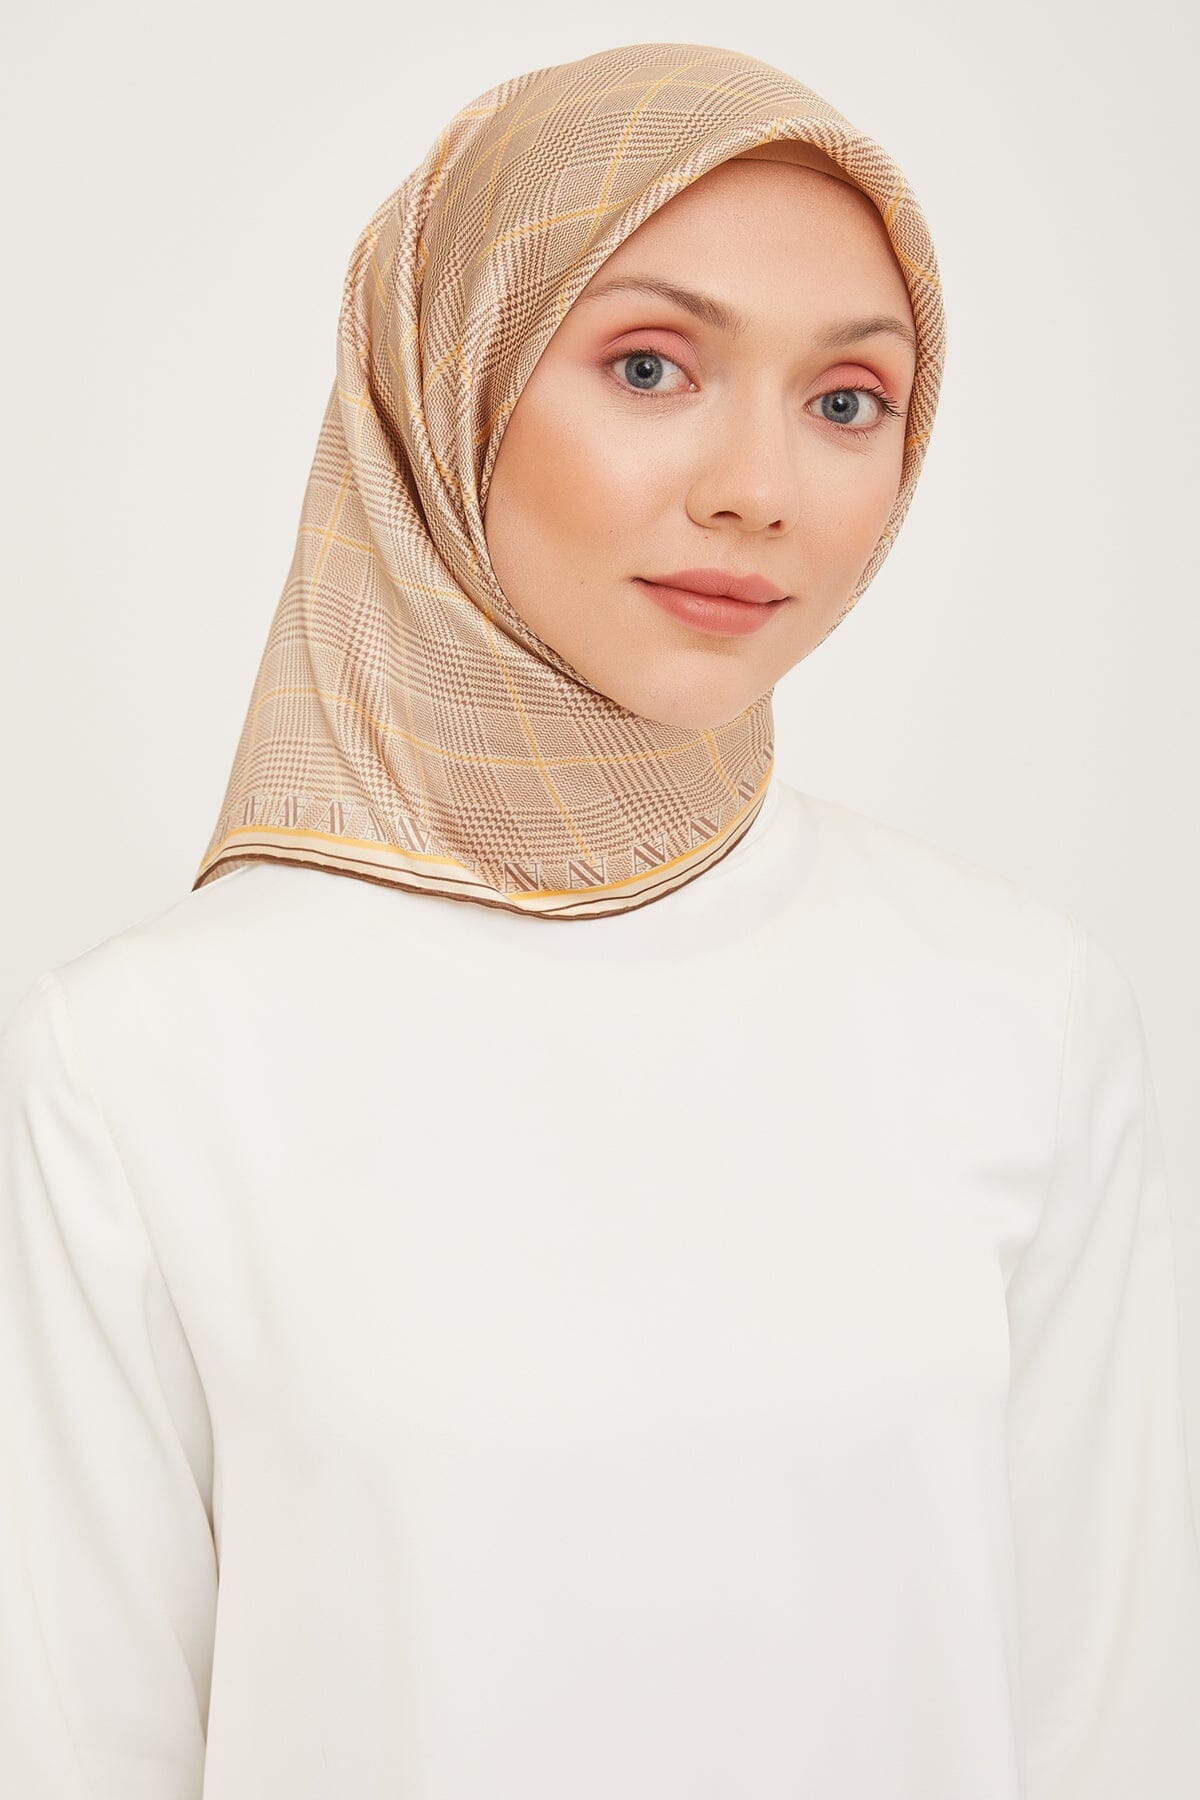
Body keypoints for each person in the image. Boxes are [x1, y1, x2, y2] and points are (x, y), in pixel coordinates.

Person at [1, 38, 1197, 1800]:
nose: (759, 486)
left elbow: (1109, 1726)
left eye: (848, 399)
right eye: (650, 366)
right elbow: (77, 1744)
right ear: (451, 376)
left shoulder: (1023, 1016)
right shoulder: (142, 1065)